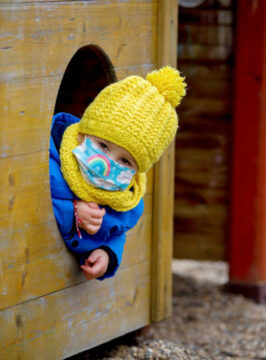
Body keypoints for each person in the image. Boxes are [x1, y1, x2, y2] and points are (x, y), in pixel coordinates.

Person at [49, 66, 186, 280]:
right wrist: (71, 211)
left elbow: (116, 232)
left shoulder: (122, 197)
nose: (107, 164)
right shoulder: (51, 158)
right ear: (84, 131)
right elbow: (28, 203)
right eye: (103, 146)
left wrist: (107, 254)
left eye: (124, 161)